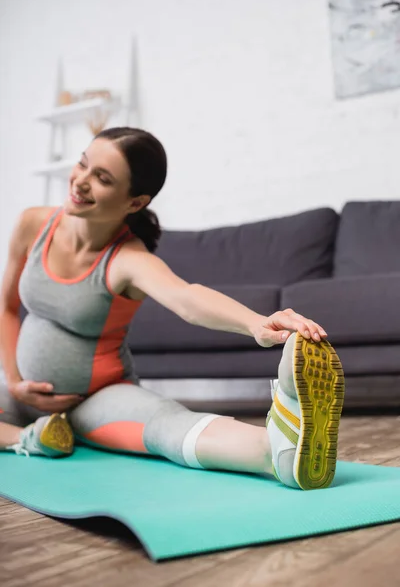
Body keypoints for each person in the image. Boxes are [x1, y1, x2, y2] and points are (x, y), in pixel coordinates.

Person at [0, 127, 344, 490]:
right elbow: (7, 308)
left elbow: (187, 298)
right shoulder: (33, 225)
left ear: (134, 202)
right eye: (83, 164)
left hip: (96, 401)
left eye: (102, 178)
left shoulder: (128, 259)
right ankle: (28, 438)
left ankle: (277, 450)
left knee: (166, 426)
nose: (81, 182)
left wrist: (258, 324)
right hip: (19, 397)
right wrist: (17, 381)